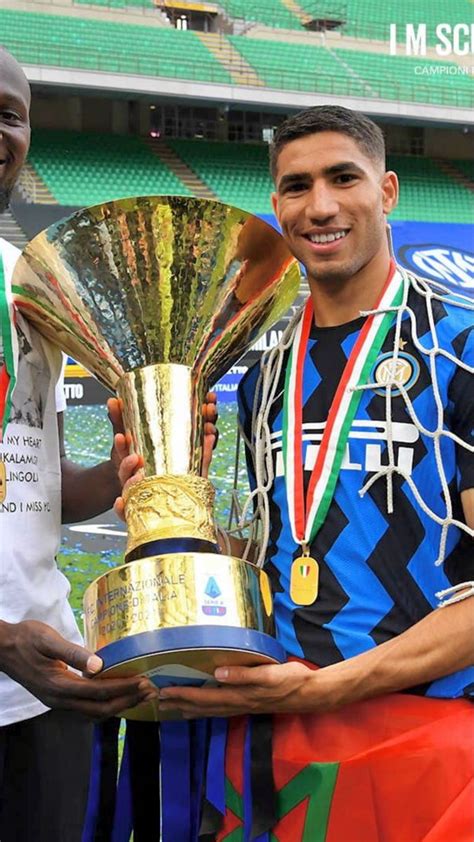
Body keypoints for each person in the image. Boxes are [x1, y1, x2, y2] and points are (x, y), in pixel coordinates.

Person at [155, 106, 474, 840]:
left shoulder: (461, 347)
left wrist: (327, 687)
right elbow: (282, 545)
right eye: (297, 186)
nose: (320, 205)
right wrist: (165, 506)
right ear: (277, 207)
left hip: (422, 742)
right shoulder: (264, 373)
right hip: (271, 738)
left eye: (343, 178)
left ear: (387, 191)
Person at [0, 48, 159, 842]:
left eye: (9, 113)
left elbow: (30, 473)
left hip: (44, 688)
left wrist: (118, 475)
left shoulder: (27, 283)